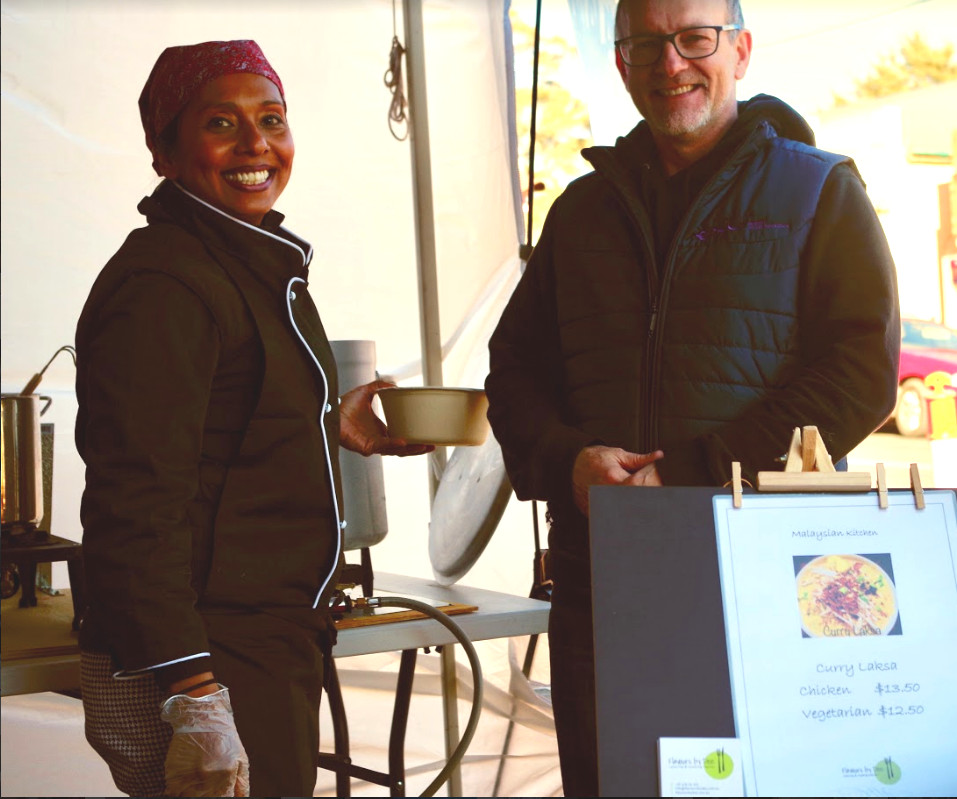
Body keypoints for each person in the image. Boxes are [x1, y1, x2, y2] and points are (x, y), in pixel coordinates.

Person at [485, 0, 900, 794]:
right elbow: (514, 370)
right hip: (601, 579)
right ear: (620, 64)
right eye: (647, 45)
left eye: (693, 40)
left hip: (763, 579)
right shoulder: (579, 212)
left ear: (739, 51)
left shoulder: (819, 191)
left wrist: (696, 470)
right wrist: (563, 461)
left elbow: (858, 376)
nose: (670, 63)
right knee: (616, 781)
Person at [75, 40, 430, 798]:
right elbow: (136, 499)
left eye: (271, 119)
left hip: (266, 637)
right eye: (220, 124)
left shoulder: (247, 261)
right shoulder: (165, 282)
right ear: (163, 150)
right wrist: (194, 692)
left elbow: (211, 429)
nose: (255, 145)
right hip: (214, 649)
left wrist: (326, 424)